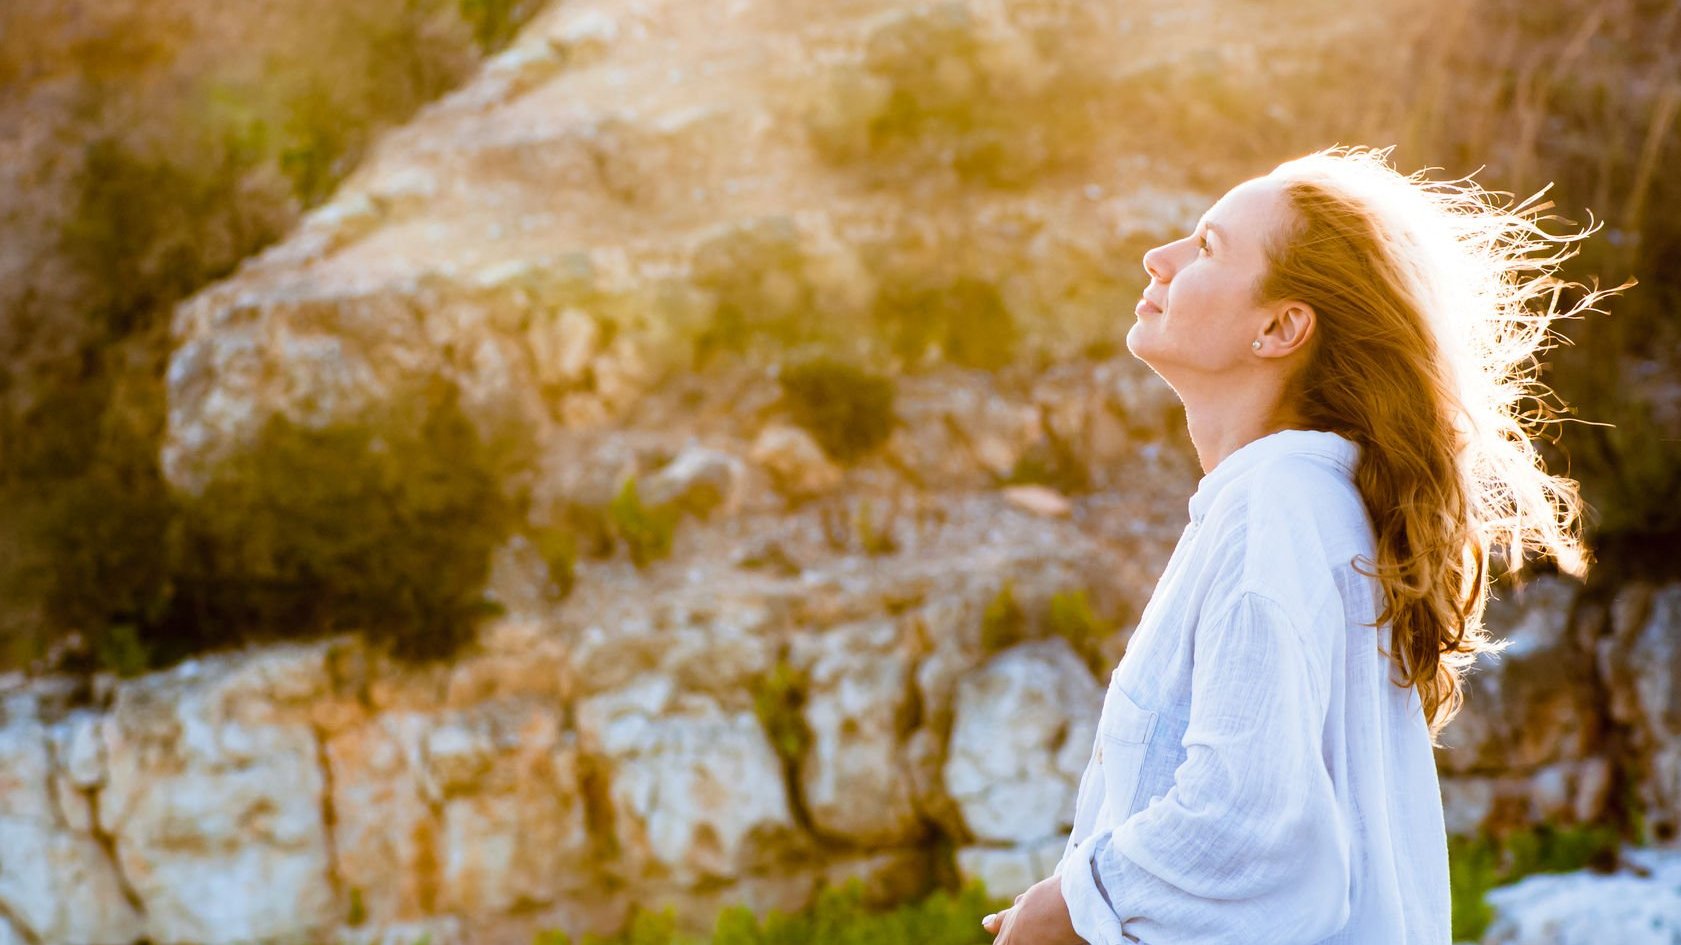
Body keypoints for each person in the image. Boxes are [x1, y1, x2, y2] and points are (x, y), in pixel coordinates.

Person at [979, 144, 1627, 944]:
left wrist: (1072, 907)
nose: (1158, 258)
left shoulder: (1278, 504)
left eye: (1208, 246)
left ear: (1280, 327)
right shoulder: (1298, 501)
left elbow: (1249, 818)